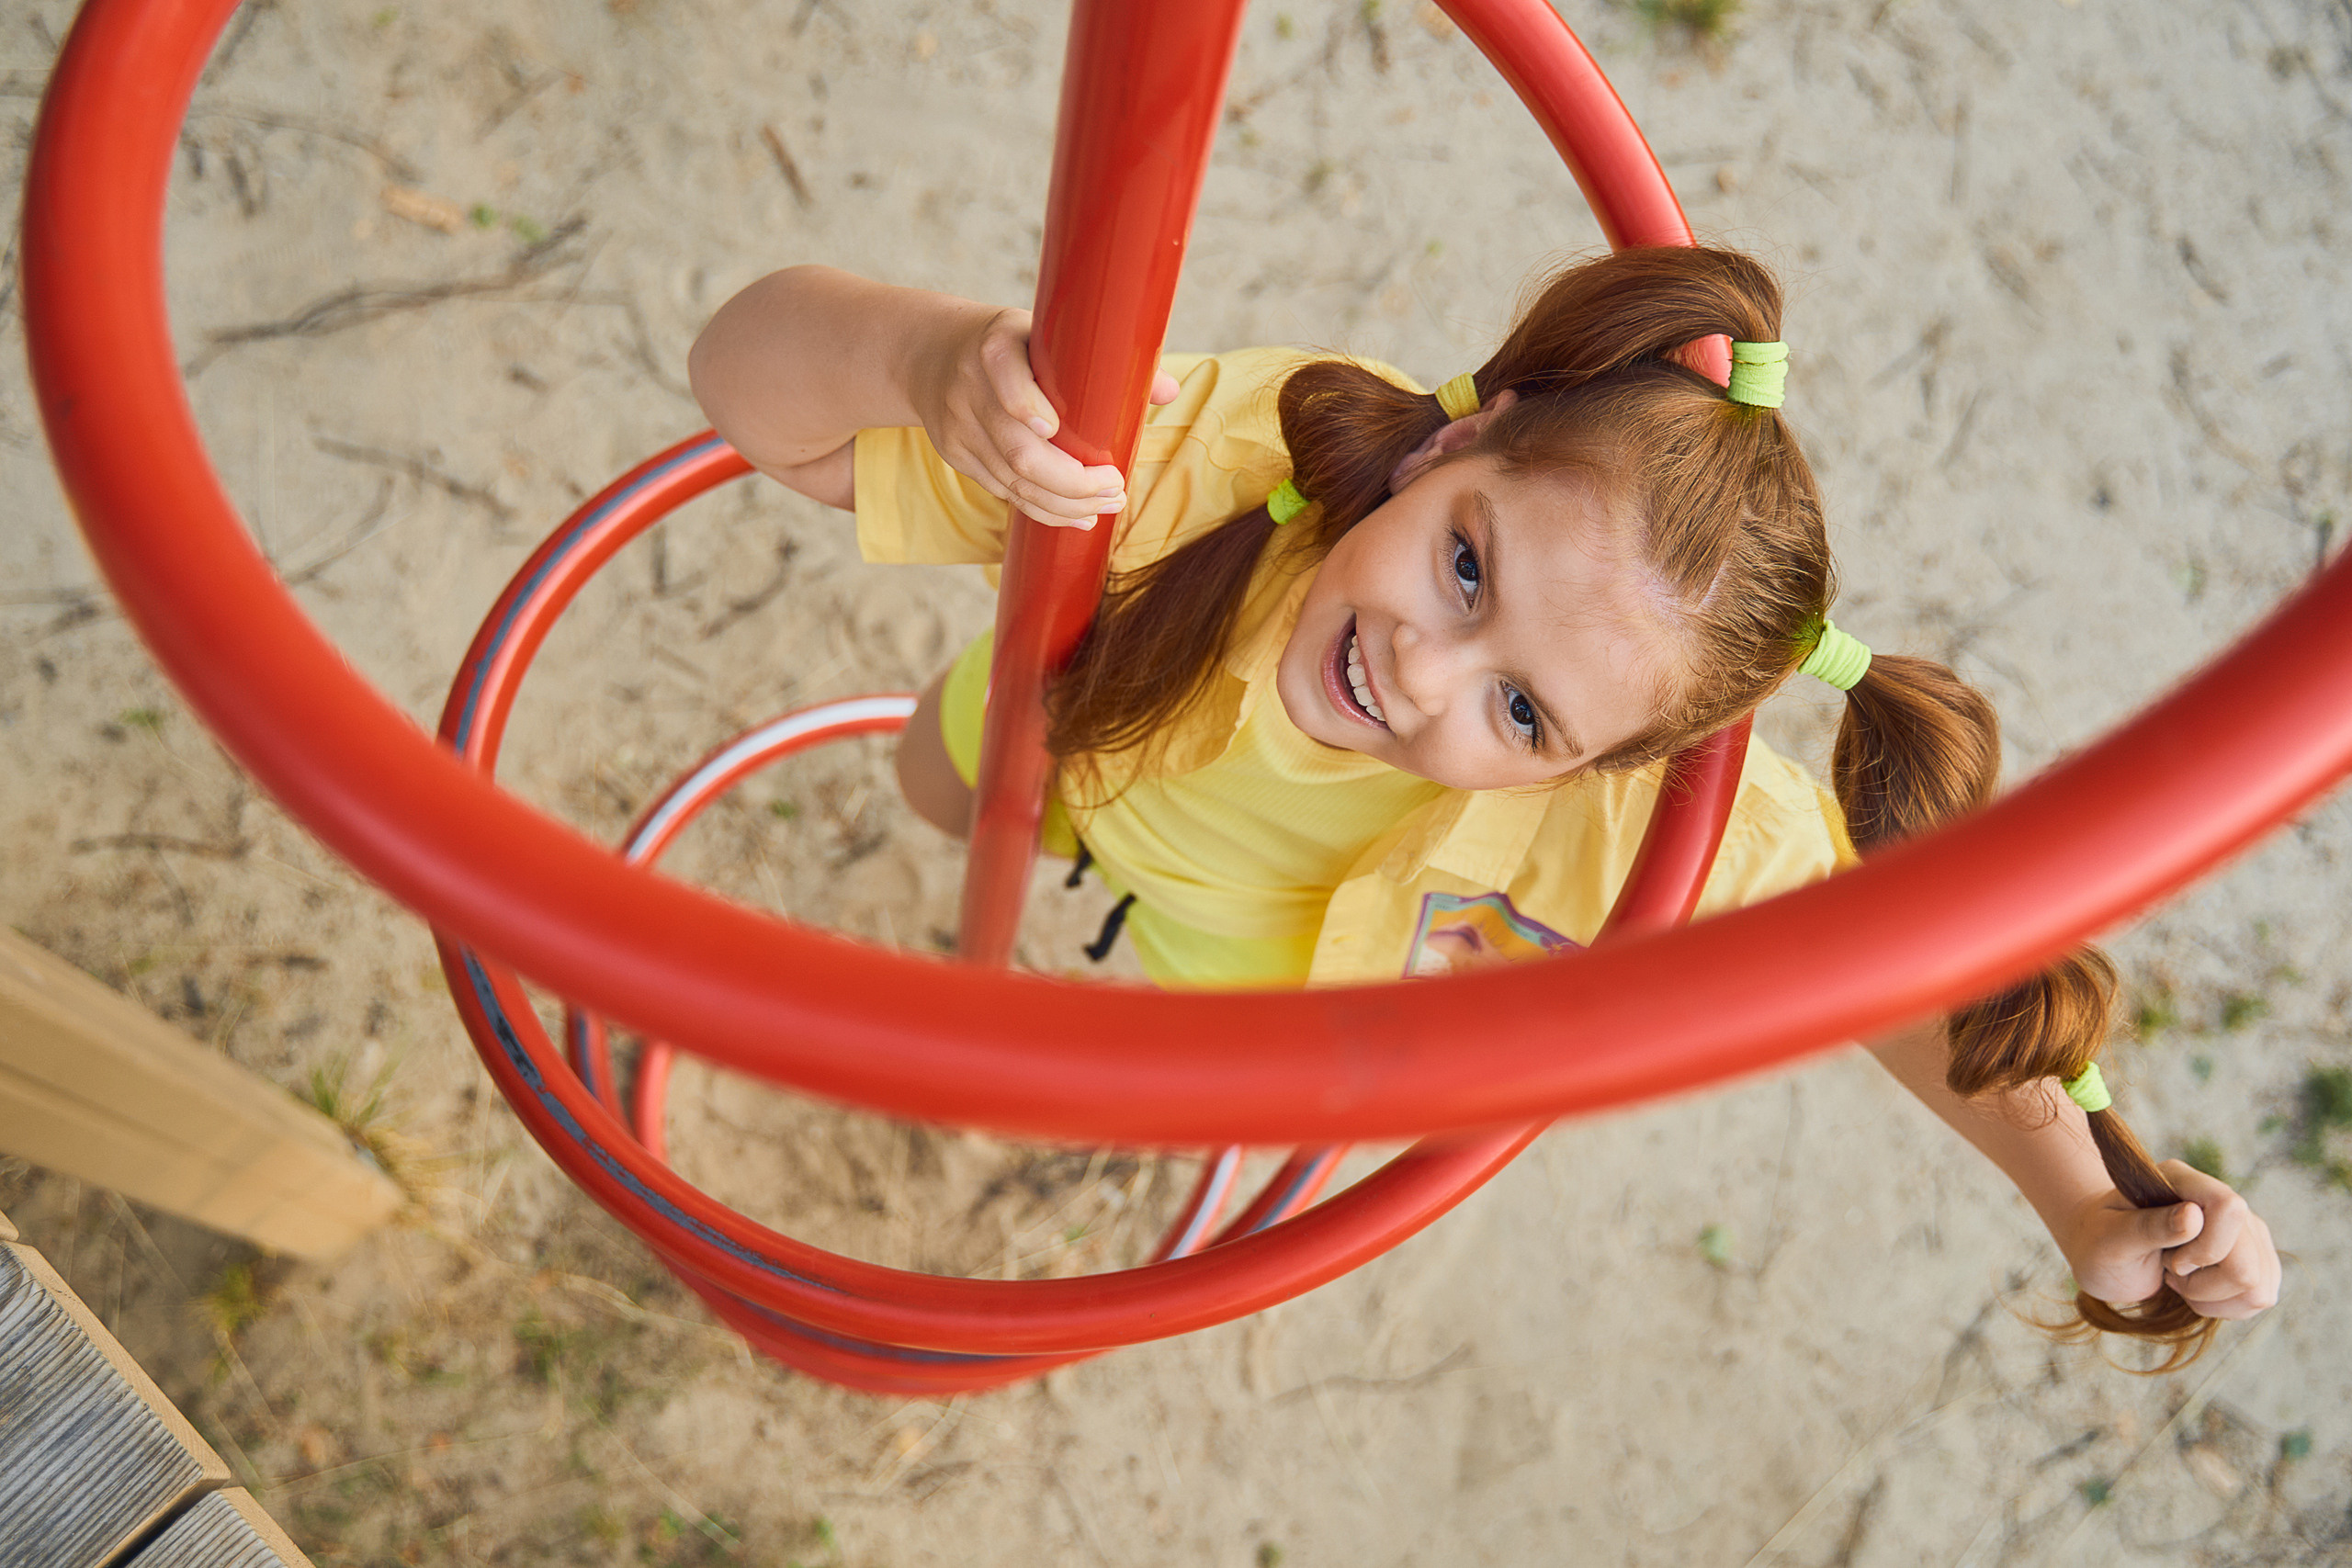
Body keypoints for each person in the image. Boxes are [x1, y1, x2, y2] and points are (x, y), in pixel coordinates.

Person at [687, 246, 2280, 1362]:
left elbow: (1909, 986)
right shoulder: (1214, 464)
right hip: (1076, 740)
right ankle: (995, 832)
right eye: (1464, 563)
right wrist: (918, 357)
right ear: (1459, 437)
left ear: (1602, 768)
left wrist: (2089, 1203)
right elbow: (753, 396)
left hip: (1254, 983)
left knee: (1125, 1075)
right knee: (937, 782)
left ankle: (1081, 1019)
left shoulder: (1652, 832)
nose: (1424, 670)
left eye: (1523, 711)